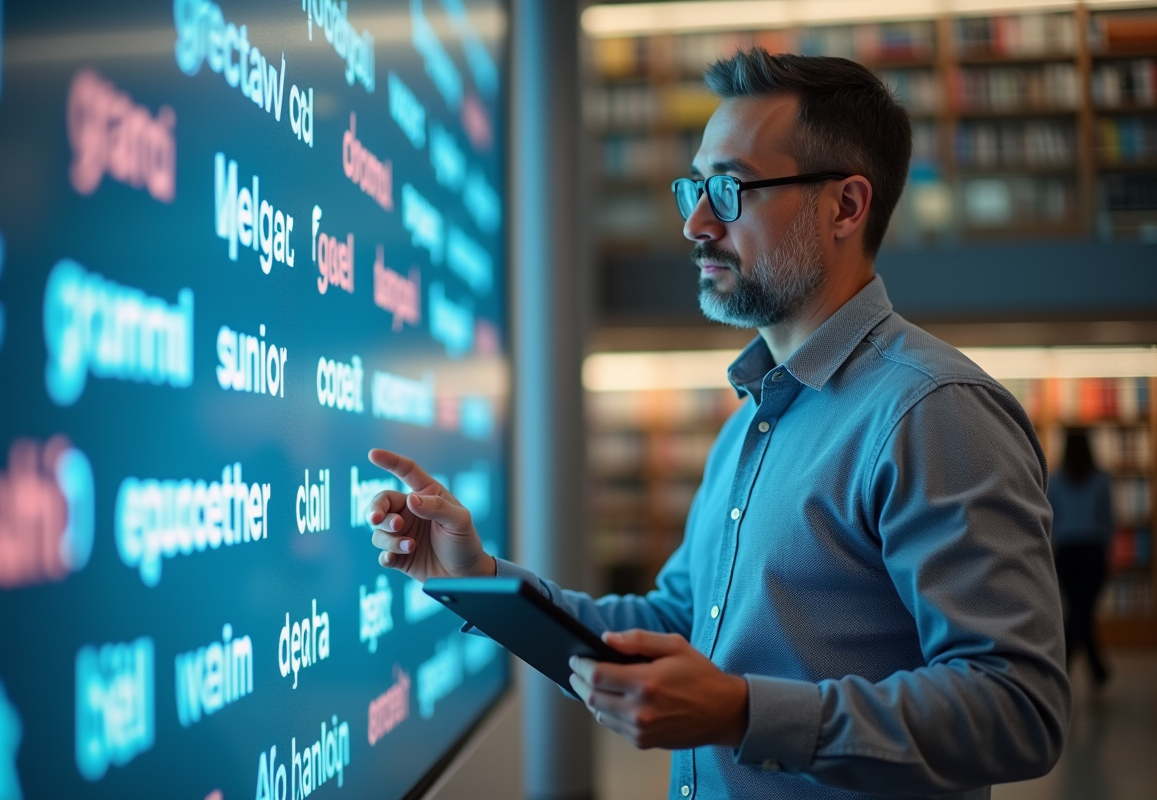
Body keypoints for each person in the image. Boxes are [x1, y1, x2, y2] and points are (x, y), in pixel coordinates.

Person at [365, 48, 1070, 799]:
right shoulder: (753, 420)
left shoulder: (932, 412)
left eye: (730, 189)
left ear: (846, 206)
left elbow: (1018, 707)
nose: (696, 224)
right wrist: (480, 582)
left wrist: (743, 712)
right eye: (695, 188)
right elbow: (676, 622)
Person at [1049, 428, 1114, 687]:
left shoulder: (1055, 480)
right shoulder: (1102, 480)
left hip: (1067, 553)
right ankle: (1092, 670)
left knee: (1078, 613)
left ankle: (1064, 669)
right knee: (1082, 613)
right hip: (1092, 552)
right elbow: (1108, 520)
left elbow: (1051, 519)